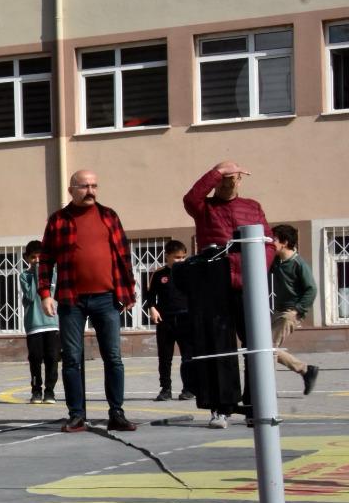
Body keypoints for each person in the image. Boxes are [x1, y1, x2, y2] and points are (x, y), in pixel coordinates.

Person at [38, 169, 137, 433]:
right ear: (71, 190)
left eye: (94, 185)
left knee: (113, 358)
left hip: (107, 298)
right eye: (84, 186)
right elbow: (45, 260)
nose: (90, 191)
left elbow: (124, 256)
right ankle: (76, 415)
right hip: (71, 300)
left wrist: (128, 291)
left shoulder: (109, 216)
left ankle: (117, 413)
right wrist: (45, 294)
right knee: (72, 359)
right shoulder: (58, 220)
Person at [181, 160, 272, 429]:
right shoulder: (204, 207)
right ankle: (221, 407)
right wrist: (217, 171)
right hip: (215, 284)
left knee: (255, 345)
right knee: (219, 348)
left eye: (232, 179)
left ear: (240, 181)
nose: (227, 184)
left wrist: (258, 268)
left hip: (248, 284)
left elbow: (268, 242)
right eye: (222, 180)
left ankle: (255, 405)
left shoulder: (252, 206)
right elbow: (191, 197)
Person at [269, 224, 320, 396]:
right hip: (278, 310)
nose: (271, 242)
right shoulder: (276, 261)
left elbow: (311, 289)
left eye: (274, 239)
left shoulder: (298, 263)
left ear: (284, 242)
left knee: (268, 349)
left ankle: (268, 391)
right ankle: (306, 370)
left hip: (290, 313)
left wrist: (297, 310)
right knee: (267, 348)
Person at [143, 240, 193, 402]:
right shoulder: (159, 274)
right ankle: (165, 389)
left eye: (183, 257)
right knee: (165, 357)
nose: (180, 260)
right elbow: (150, 296)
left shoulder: (190, 272)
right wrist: (152, 308)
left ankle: (188, 388)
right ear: (167, 257)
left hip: (185, 318)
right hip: (165, 320)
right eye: (177, 257)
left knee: (188, 356)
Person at [20, 239, 59, 404]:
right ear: (27, 258)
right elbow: (30, 296)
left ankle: (50, 392)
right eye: (33, 257)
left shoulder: (54, 275)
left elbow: (55, 295)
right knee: (35, 359)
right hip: (34, 325)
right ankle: (36, 391)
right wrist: (37, 273)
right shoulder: (24, 276)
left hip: (52, 324)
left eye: (40, 257)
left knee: (52, 358)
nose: (37, 260)